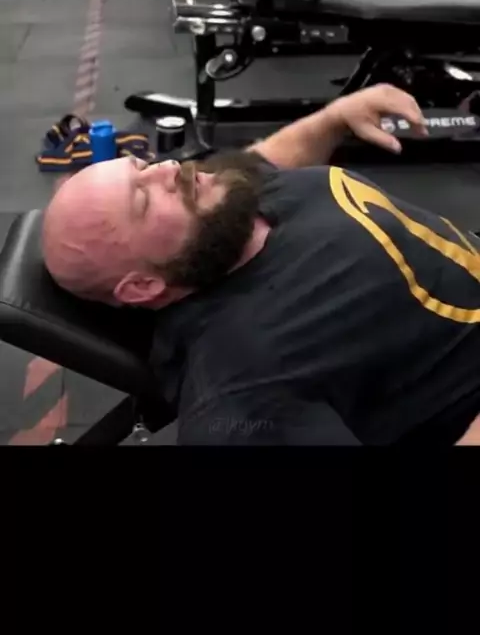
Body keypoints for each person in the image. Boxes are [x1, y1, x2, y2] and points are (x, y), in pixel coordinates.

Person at [42, 85, 480, 446]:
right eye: (143, 198)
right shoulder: (245, 391)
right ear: (142, 287)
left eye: (144, 167)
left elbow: (266, 159)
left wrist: (336, 117)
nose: (171, 168)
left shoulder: (223, 212)